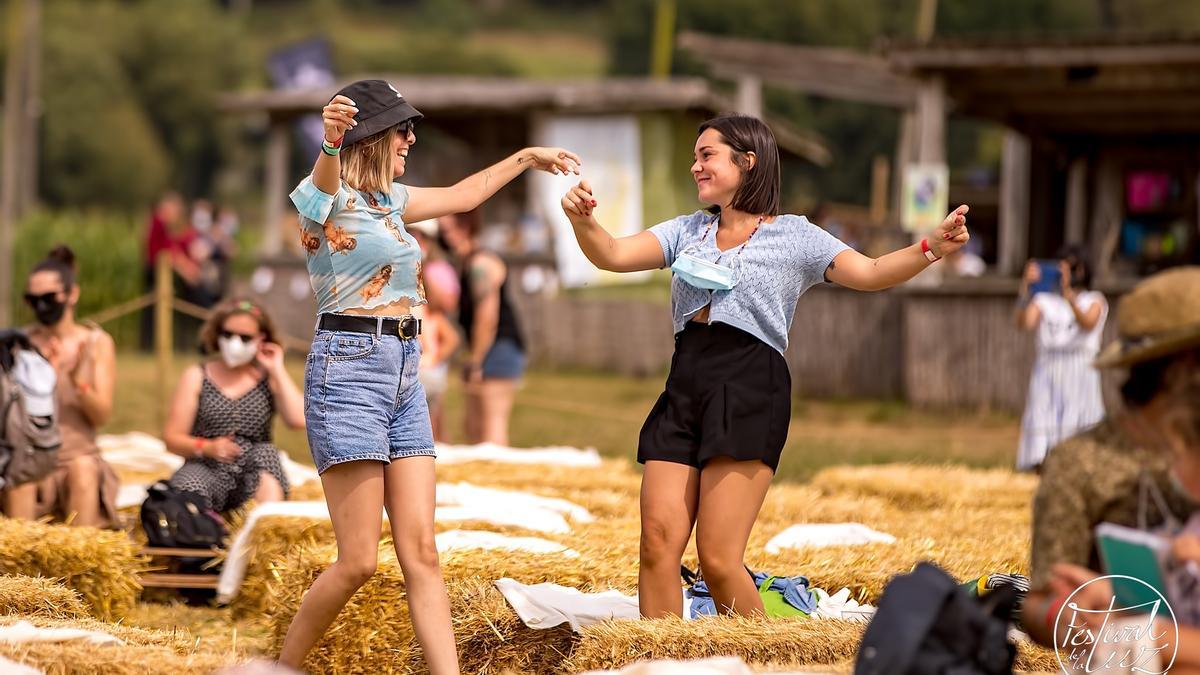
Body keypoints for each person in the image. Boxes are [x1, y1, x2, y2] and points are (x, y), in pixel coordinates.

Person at [559, 114, 970, 618]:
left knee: (717, 558)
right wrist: (584, 221)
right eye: (695, 157)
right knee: (656, 545)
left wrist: (932, 246)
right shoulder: (688, 229)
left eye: (706, 155)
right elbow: (613, 254)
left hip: (751, 384)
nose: (695, 166)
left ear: (747, 162)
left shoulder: (796, 236)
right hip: (686, 380)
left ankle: (758, 663)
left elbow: (872, 272)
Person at [277, 79, 579, 674]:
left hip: (405, 374)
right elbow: (319, 188)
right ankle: (278, 668)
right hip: (349, 372)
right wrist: (331, 141)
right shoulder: (324, 197)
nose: (411, 137)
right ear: (369, 136)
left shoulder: (391, 200)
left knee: (422, 553)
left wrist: (526, 158)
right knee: (359, 560)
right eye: (400, 129)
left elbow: (467, 196)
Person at [1021, 267, 1200, 670]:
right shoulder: (1081, 462)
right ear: (1183, 367)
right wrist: (1070, 616)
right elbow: (1042, 598)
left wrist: (1165, 640)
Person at [3, 246, 119, 528]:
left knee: (84, 470)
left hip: (76, 457)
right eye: (33, 299)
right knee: (20, 474)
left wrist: (76, 380)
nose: (41, 306)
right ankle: (20, 570)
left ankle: (81, 564)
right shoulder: (19, 343)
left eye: (49, 297)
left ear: (72, 294)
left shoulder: (95, 343)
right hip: (30, 457)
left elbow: (101, 416)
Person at [162, 299, 303, 512]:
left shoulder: (268, 377)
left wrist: (276, 369)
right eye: (228, 335)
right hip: (206, 464)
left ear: (261, 339)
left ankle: (260, 526)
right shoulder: (197, 375)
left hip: (254, 466)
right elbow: (172, 438)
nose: (235, 343)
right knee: (184, 497)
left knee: (266, 455)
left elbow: (298, 420)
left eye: (245, 337)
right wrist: (206, 448)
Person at [1014, 245, 1107, 471]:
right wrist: (1026, 289)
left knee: (1079, 422)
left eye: (1072, 267)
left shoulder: (1094, 299)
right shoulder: (1044, 300)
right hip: (1048, 369)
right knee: (1043, 421)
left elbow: (1088, 323)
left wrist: (1069, 299)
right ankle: (1040, 467)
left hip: (1080, 371)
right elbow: (1024, 323)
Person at [439, 210, 527, 446]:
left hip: (499, 349)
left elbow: (487, 316)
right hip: (488, 349)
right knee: (474, 428)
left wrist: (477, 360)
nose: (443, 236)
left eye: (446, 230)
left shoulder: (482, 263)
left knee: (491, 431)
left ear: (466, 227)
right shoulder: (466, 263)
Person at [408, 220, 460, 443]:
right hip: (423, 367)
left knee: (428, 422)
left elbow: (447, 304)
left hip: (424, 369)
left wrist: (433, 358)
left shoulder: (436, 270)